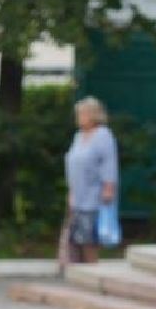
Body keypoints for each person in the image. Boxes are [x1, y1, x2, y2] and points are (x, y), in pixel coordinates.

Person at [63, 95, 119, 266]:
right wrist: (71, 191)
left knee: (89, 237)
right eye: (79, 114)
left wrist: (109, 187)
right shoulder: (78, 136)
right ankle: (79, 268)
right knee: (76, 237)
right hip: (77, 193)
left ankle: (92, 268)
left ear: (94, 115)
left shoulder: (103, 135)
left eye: (83, 114)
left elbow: (109, 162)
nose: (79, 117)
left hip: (93, 194)